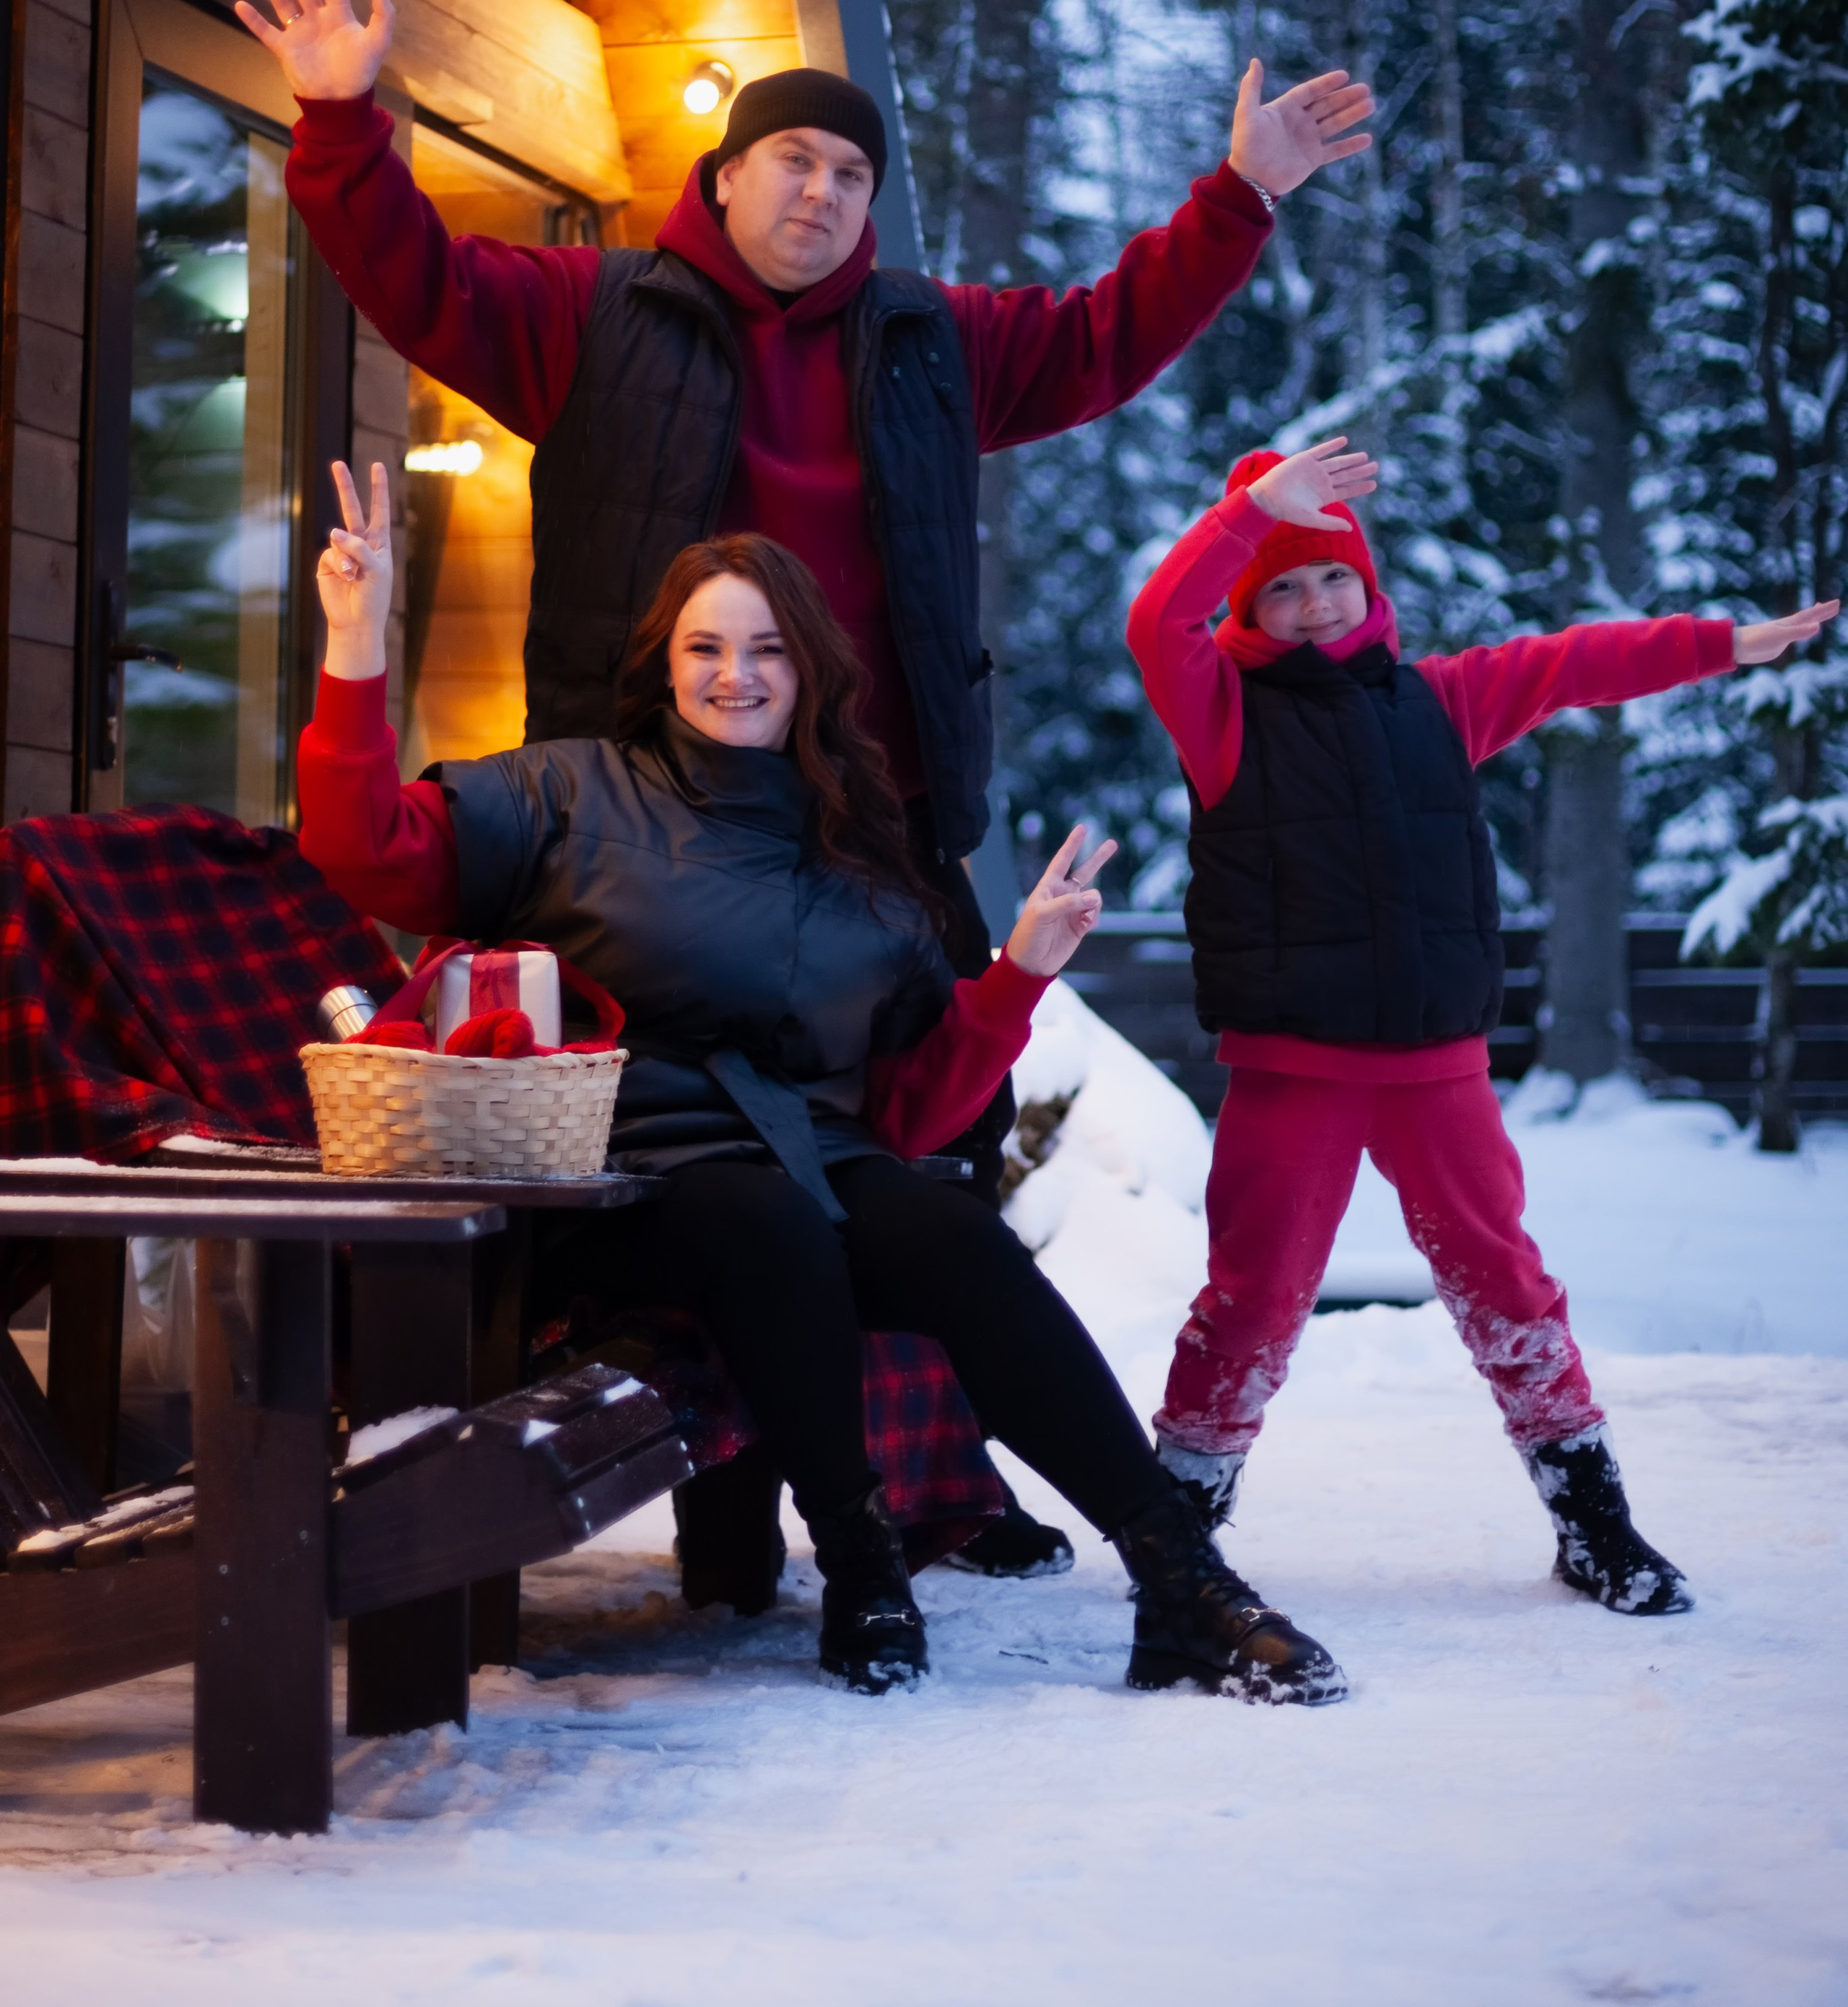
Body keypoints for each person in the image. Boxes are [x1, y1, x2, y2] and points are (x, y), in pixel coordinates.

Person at [299, 459, 1348, 1704]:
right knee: (768, 1223)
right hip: (624, 1189)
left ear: (810, 670)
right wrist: (356, 644)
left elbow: (910, 1113)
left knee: (952, 1234)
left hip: (813, 1160)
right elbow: (362, 849)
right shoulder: (564, 792)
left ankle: (1180, 1580)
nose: (734, 674)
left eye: (766, 650)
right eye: (705, 647)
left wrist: (1015, 977)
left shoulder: (861, 842)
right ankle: (860, 1563)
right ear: (665, 662)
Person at [1127, 434, 1838, 1617]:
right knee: (1251, 1302)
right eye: (1283, 587)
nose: (1311, 605)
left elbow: (1570, 664)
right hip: (1294, 1069)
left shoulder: (1440, 700)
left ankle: (1593, 1522)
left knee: (1505, 1285)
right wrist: (1253, 513)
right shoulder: (1221, 712)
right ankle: (1180, 1525)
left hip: (1436, 1070)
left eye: (1332, 577)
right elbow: (1160, 623)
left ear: (1371, 583)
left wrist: (1720, 644)